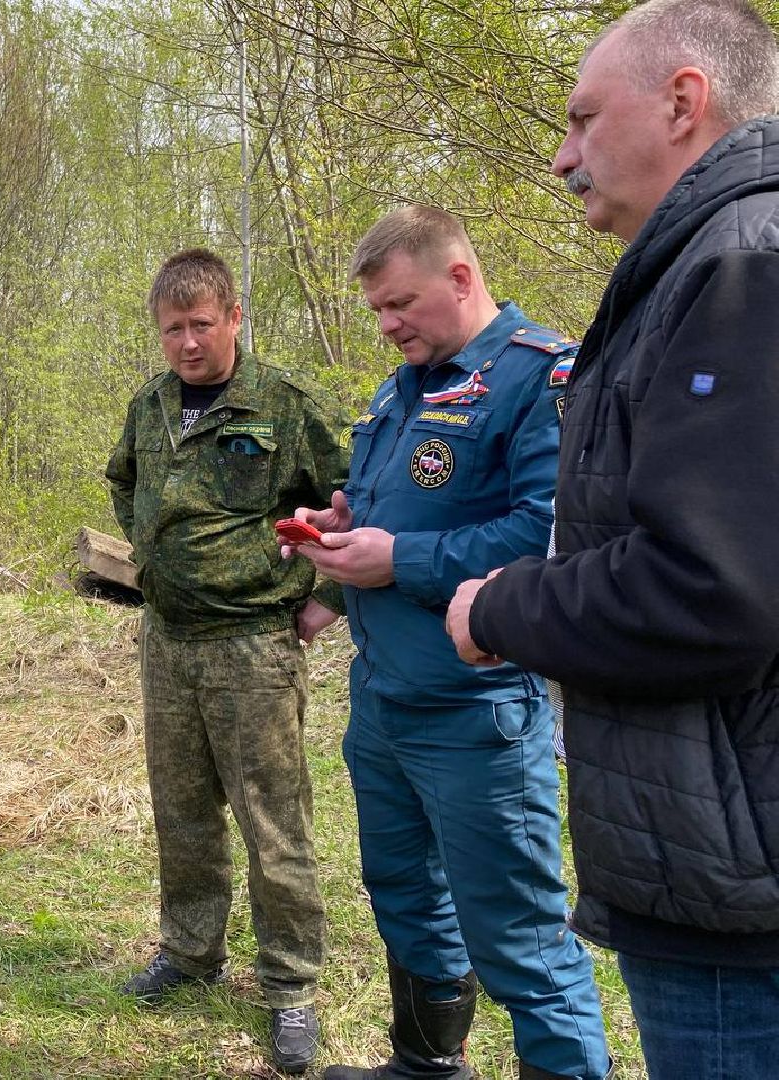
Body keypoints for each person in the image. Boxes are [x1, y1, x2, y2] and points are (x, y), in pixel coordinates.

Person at [446, 3, 779, 1077]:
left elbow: (706, 592)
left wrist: (500, 605)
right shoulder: (713, 262)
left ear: (684, 102)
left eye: (586, 118)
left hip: (739, 896)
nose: (561, 155)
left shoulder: (739, 268)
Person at [290, 206, 609, 1080]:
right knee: (405, 898)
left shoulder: (542, 378)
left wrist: (401, 558)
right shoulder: (403, 388)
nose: (388, 325)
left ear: (461, 278)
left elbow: (553, 538)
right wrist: (343, 523)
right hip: (384, 700)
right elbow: (397, 508)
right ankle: (426, 1066)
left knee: (521, 938)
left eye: (400, 304)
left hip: (477, 715)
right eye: (378, 312)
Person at [105, 247, 348, 1075]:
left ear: (235, 317)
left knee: (272, 818)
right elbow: (124, 481)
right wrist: (150, 555)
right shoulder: (150, 407)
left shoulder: (282, 406)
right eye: (172, 329)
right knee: (181, 809)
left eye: (201, 325)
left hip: (253, 644)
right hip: (167, 642)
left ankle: (289, 986)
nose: (187, 344)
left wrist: (325, 597)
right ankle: (190, 952)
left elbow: (359, 496)